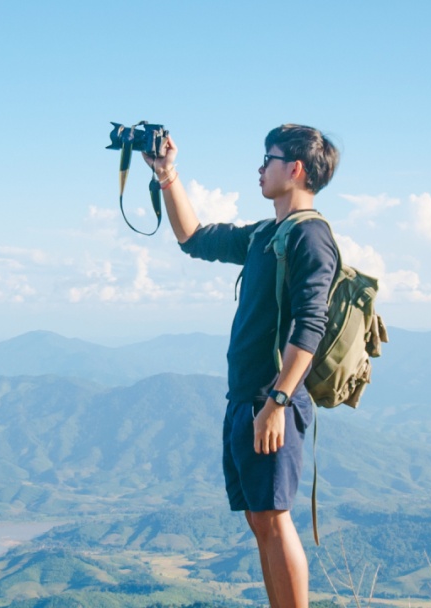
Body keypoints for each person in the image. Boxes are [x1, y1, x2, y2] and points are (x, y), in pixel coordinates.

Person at [145, 124, 339, 608]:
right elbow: (193, 238)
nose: (260, 167)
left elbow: (310, 325)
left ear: (295, 169)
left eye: (268, 158)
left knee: (274, 518)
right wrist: (167, 175)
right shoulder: (265, 234)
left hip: (271, 401)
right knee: (260, 519)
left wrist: (277, 402)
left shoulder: (310, 236)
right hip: (247, 400)